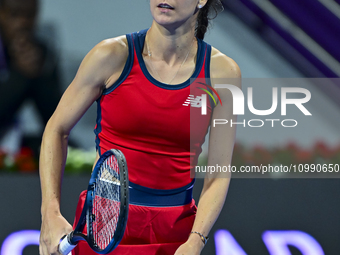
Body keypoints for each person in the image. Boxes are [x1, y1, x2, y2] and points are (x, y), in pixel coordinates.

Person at [39, 0, 241, 254]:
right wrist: (50, 211)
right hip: (104, 224)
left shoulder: (223, 73)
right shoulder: (110, 56)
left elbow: (218, 173)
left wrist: (195, 241)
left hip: (176, 233)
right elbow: (57, 129)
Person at [0, 0, 61, 157]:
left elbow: (56, 120)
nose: (23, 23)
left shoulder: (41, 52)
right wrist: (20, 76)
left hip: (19, 139)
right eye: (15, 15)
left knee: (65, 149)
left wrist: (41, 74)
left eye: (29, 15)